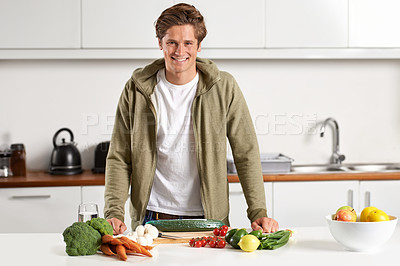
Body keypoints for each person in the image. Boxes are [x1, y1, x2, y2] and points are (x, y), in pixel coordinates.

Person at [104, 3, 279, 235]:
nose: (180, 51)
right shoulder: (137, 89)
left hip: (209, 218)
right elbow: (119, 156)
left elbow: (245, 152)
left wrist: (258, 212)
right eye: (172, 42)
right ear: (160, 44)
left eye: (188, 43)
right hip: (152, 217)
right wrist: (114, 212)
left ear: (198, 46)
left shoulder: (223, 86)